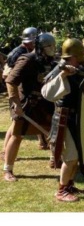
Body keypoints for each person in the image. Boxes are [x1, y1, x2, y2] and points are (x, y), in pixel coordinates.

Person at [3, 33, 57, 181]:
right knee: (17, 135)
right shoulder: (27, 59)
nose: (52, 49)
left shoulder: (51, 61)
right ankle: (8, 169)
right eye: (48, 46)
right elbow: (10, 81)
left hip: (45, 103)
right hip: (27, 103)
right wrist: (15, 103)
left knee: (51, 132)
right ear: (40, 47)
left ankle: (54, 159)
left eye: (53, 46)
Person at [41, 38, 84, 202]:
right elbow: (47, 93)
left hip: (77, 117)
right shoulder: (59, 69)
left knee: (77, 154)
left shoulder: (78, 67)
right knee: (71, 156)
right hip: (64, 118)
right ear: (75, 54)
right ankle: (61, 191)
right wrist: (63, 74)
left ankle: (69, 184)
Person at [1, 27, 50, 155]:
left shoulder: (32, 52)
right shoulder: (19, 52)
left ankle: (42, 143)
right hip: (20, 94)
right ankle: (5, 152)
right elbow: (9, 76)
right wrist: (15, 97)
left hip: (29, 93)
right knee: (15, 129)